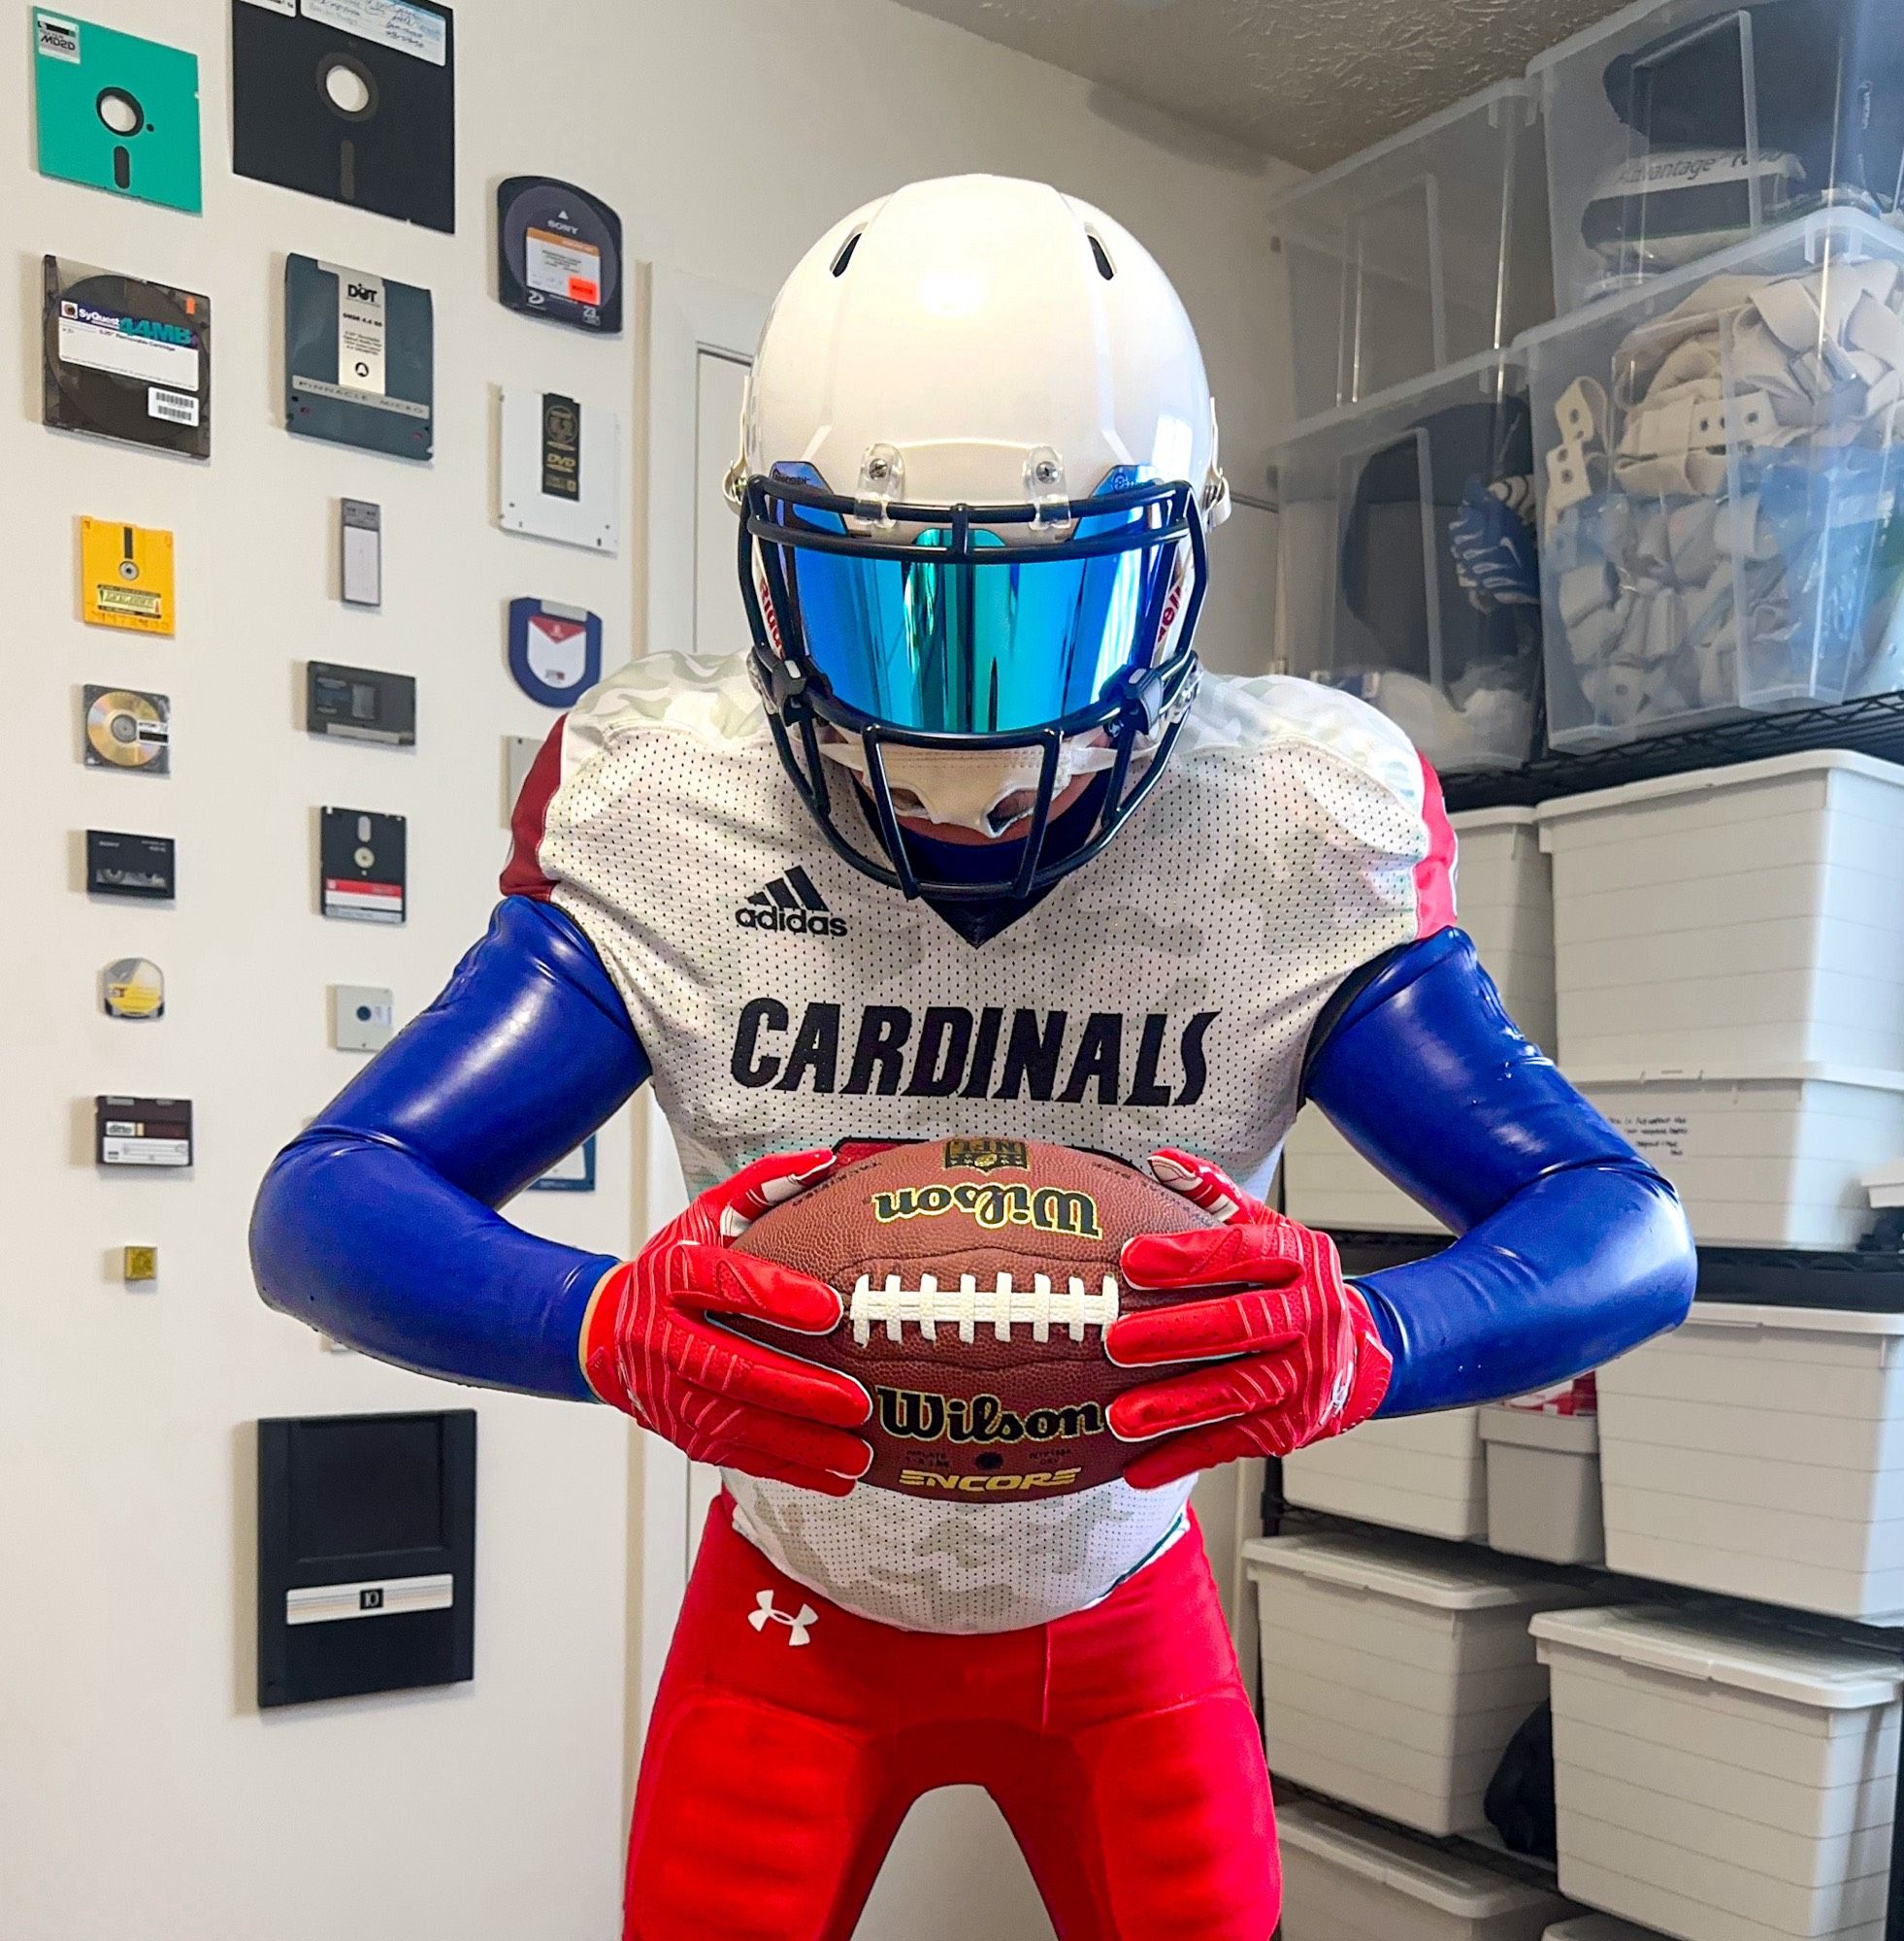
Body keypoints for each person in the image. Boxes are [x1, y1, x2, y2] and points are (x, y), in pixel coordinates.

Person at [251, 174, 1695, 1941]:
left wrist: (1374, 1342)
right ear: (770, 564)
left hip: (1121, 1601)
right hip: (795, 1599)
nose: (962, 712)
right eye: (880, 613)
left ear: (1176, 567)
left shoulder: (1284, 823)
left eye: (1041, 615)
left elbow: (1621, 1223)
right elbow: (326, 1203)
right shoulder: (670, 802)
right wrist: (600, 1326)